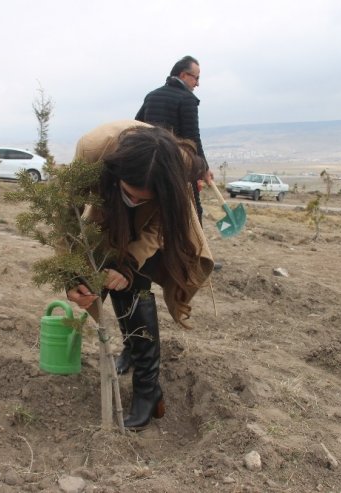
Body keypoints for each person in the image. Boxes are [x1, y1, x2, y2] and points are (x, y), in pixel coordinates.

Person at [67, 120, 214, 429]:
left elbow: (160, 228)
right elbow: (65, 215)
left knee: (134, 278)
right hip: (107, 208)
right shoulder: (93, 151)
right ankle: (133, 350)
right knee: (108, 270)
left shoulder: (179, 167)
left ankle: (148, 388)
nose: (134, 201)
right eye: (130, 194)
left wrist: (130, 264)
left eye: (142, 198)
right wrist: (71, 276)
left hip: (161, 218)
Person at [135, 55, 211, 224]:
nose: (197, 83)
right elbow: (193, 138)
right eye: (196, 78)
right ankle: (194, 248)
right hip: (175, 167)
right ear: (184, 75)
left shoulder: (151, 96)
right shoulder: (188, 99)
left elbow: (137, 126)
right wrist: (203, 168)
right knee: (192, 213)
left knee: (150, 215)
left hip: (148, 166)